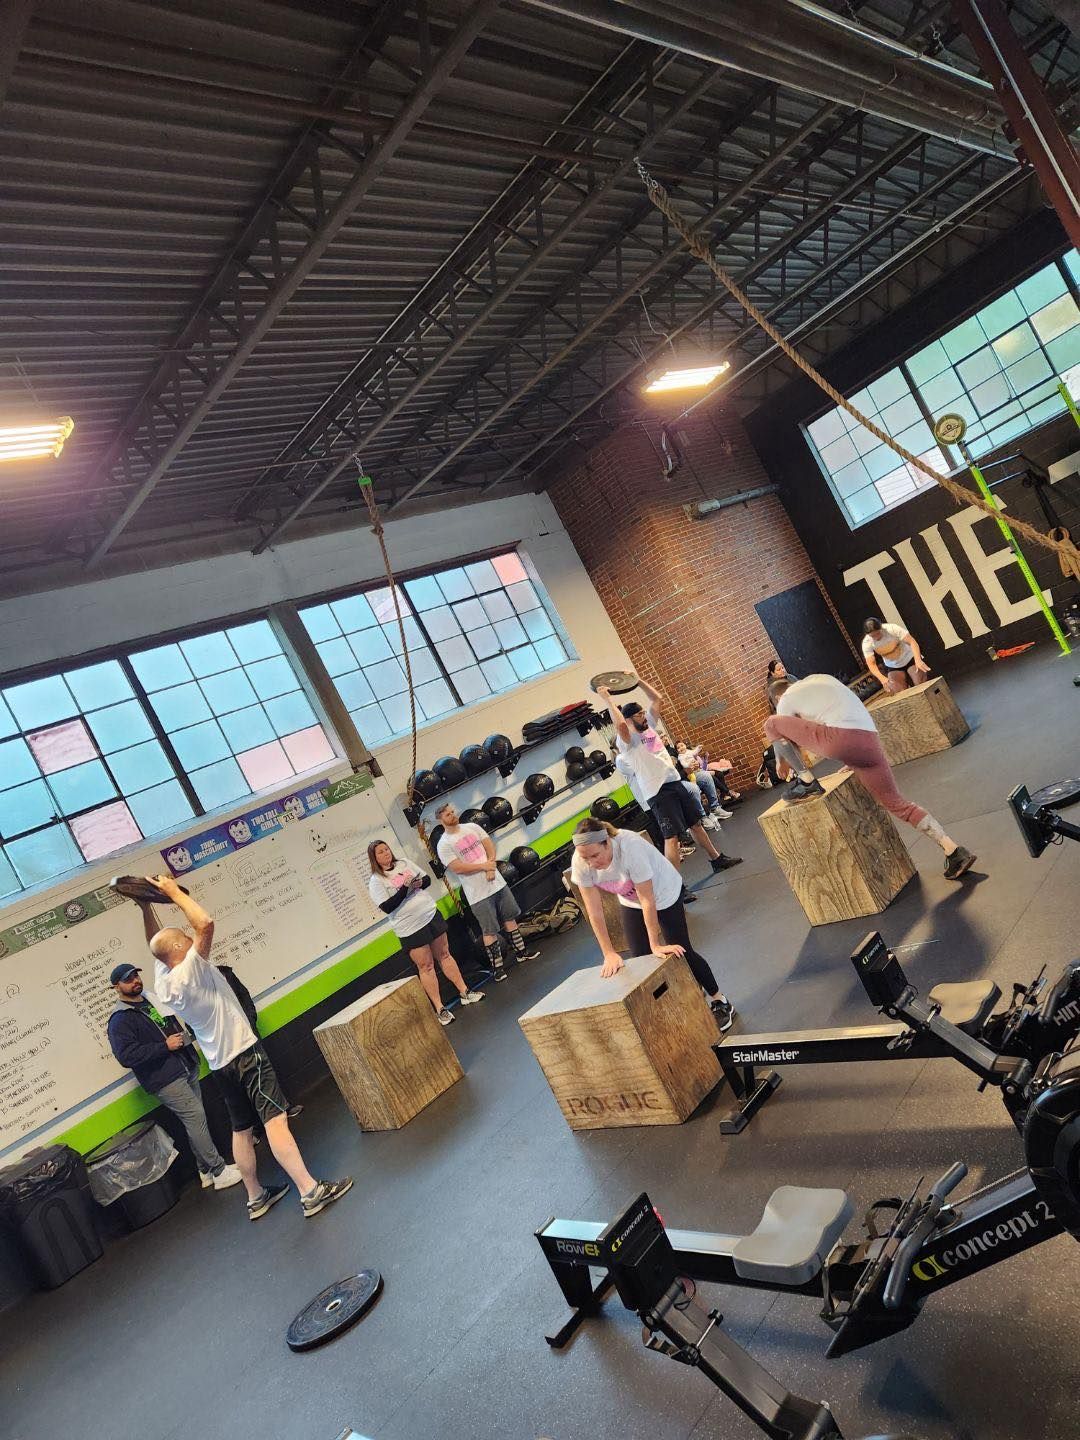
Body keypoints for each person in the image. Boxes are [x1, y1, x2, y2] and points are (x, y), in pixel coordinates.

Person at [146, 873, 352, 1221]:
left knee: (241, 1129)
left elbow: (157, 942)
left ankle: (256, 1197)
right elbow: (205, 923)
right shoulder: (189, 970)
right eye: (185, 938)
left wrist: (145, 904)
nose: (189, 938)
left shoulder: (164, 981)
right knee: (275, 1120)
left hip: (218, 1066)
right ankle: (310, 1191)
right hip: (245, 1056)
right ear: (181, 949)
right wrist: (172, 892)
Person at [763, 674, 976, 880]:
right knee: (897, 804)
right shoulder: (821, 679)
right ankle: (953, 850)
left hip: (842, 739)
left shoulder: (786, 699)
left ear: (778, 698)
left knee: (771, 724)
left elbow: (780, 731)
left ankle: (807, 782)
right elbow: (843, 713)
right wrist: (854, 757)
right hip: (869, 743)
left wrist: (782, 763)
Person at [569, 818, 735, 1030]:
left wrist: (655, 943)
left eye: (595, 855)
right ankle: (680, 1000)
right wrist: (608, 953)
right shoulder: (581, 861)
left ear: (607, 842)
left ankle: (719, 1000)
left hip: (664, 891)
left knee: (680, 950)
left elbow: (648, 899)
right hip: (631, 900)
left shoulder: (630, 847)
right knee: (642, 960)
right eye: (586, 857)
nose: (591, 862)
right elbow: (594, 912)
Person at [107, 960, 242, 1192]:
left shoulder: (151, 1000)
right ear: (116, 987)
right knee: (196, 1117)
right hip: (164, 1078)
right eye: (128, 980)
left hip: (186, 1065)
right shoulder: (120, 1019)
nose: (135, 981)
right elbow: (126, 1056)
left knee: (194, 1122)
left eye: (136, 976)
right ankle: (219, 1170)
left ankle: (205, 1170)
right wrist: (164, 1046)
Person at [596, 680, 741, 877]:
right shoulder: (627, 741)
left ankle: (717, 859)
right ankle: (675, 886)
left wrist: (637, 681)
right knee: (671, 838)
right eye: (638, 714)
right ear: (630, 719)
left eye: (642, 713)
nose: (643, 716)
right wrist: (607, 699)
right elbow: (620, 725)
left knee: (695, 824)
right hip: (658, 793)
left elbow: (657, 698)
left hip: (674, 783)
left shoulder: (649, 728)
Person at [367, 838, 485, 1025]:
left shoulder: (404, 863)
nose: (385, 853)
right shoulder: (376, 880)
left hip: (429, 915)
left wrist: (417, 882)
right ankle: (440, 1009)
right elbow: (388, 907)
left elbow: (427, 880)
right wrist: (404, 889)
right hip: (409, 927)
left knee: (445, 955)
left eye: (386, 849)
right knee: (426, 966)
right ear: (374, 858)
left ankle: (465, 992)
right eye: (380, 852)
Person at [434, 802, 539, 980]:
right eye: (447, 814)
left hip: (497, 883)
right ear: (440, 819)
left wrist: (491, 867)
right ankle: (498, 969)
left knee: (510, 918)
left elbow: (489, 845)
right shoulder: (443, 844)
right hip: (477, 893)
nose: (452, 815)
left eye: (453, 811)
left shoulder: (472, 827)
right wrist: (485, 866)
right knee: (489, 930)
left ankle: (522, 952)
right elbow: (458, 868)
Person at [862, 617, 930, 693]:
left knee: (920, 683)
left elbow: (912, 642)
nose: (876, 637)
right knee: (898, 691)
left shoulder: (892, 628)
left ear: (881, 627)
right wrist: (882, 679)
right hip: (893, 665)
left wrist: (918, 660)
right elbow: (871, 664)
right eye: (873, 636)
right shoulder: (867, 643)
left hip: (909, 658)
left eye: (877, 633)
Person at [676, 742, 735, 822]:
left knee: (708, 775)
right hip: (685, 778)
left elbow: (699, 761)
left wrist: (698, 757)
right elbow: (684, 767)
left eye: (682, 746)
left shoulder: (689, 753)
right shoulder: (680, 757)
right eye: (678, 747)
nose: (681, 748)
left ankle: (715, 807)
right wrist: (688, 768)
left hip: (695, 772)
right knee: (694, 787)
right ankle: (701, 816)